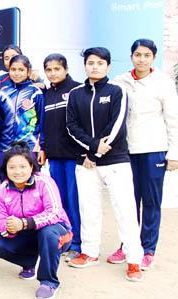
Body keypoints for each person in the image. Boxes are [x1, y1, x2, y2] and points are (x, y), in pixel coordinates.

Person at [65, 47, 144, 281]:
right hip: (86, 162)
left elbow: (117, 126)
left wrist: (96, 154)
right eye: (91, 63)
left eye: (100, 63)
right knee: (88, 210)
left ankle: (134, 261)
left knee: (126, 211)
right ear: (85, 66)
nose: (95, 67)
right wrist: (92, 149)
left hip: (115, 160)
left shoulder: (118, 90)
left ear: (108, 66)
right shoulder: (76, 94)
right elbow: (71, 126)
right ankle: (89, 253)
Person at [111, 39, 178, 269]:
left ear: (153, 58)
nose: (141, 59)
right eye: (138, 55)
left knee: (150, 202)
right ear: (131, 57)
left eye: (146, 55)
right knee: (127, 202)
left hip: (153, 150)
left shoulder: (163, 83)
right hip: (126, 151)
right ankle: (127, 246)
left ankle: (148, 249)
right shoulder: (120, 81)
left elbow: (173, 120)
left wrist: (174, 153)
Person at [0, 141, 73, 299]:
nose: (17, 172)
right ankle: (29, 263)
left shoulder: (44, 182)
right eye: (12, 167)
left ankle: (48, 282)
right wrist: (9, 228)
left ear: (31, 167)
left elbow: (54, 212)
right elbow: (0, 221)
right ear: (5, 169)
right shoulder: (2, 191)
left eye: (22, 167)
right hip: (27, 233)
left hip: (58, 232)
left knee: (48, 234)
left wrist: (24, 223)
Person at [41, 53, 82, 259]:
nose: (53, 73)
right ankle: (65, 238)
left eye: (57, 69)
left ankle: (77, 243)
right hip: (54, 157)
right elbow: (44, 126)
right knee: (60, 201)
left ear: (66, 69)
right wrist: (43, 148)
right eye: (49, 69)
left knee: (74, 201)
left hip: (74, 157)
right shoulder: (46, 94)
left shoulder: (77, 90)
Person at [0, 55, 44, 171]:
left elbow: (42, 121)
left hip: (29, 146)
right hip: (5, 146)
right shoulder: (4, 93)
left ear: (28, 71)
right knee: (6, 182)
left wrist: (42, 146)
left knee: (30, 181)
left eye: (21, 70)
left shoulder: (35, 92)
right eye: (13, 70)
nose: (17, 73)